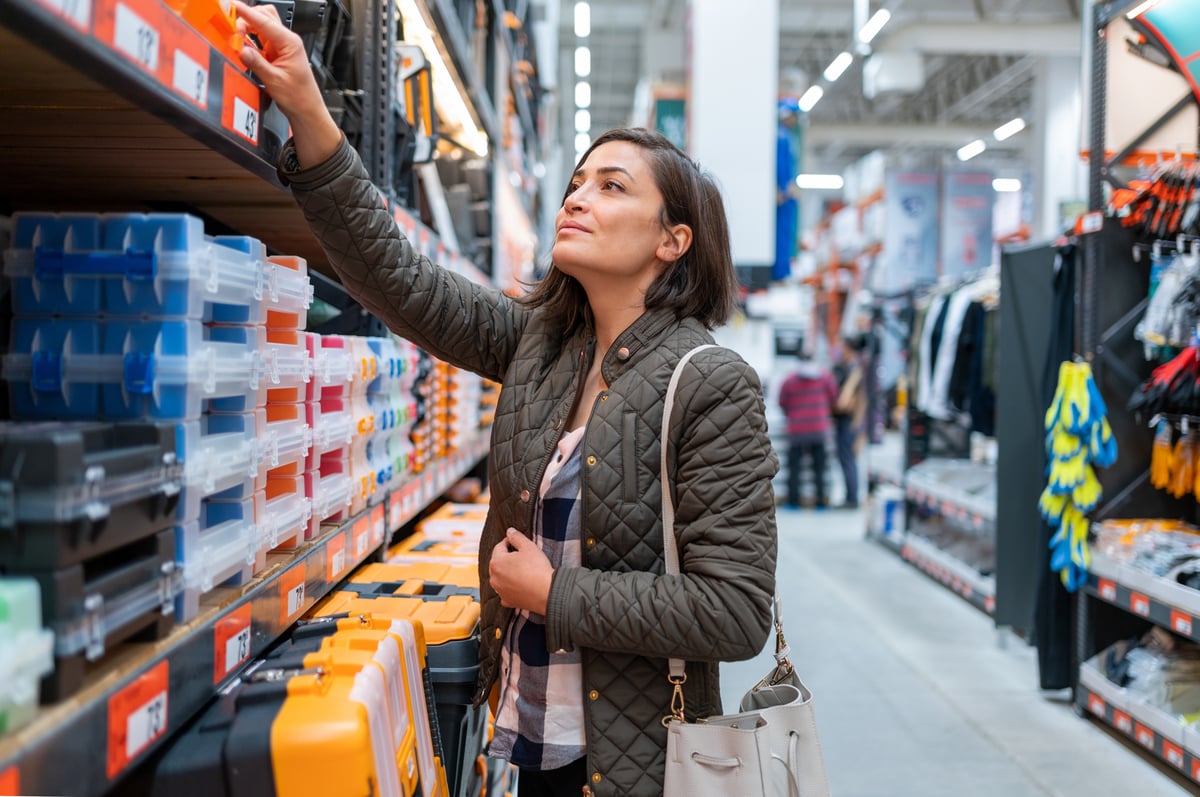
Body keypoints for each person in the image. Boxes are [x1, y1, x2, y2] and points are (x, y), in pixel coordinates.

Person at [232, 5, 779, 795]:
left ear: (673, 240)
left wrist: (558, 595)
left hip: (636, 769)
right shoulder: (545, 347)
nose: (575, 199)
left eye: (611, 186)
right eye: (575, 184)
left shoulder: (710, 383)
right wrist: (310, 113)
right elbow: (403, 283)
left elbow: (734, 611)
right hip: (528, 741)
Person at [778, 349, 837, 509]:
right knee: (819, 469)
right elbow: (833, 398)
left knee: (794, 469)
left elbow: (782, 402)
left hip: (796, 430)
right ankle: (820, 503)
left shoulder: (789, 380)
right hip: (818, 429)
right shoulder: (825, 377)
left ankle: (793, 501)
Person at [832, 337, 867, 509]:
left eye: (841, 348)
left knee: (848, 459)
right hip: (845, 421)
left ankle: (852, 498)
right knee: (847, 459)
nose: (839, 351)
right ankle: (850, 496)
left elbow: (845, 402)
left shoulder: (854, 370)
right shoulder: (845, 368)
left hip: (849, 422)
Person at [774, 99, 801, 283]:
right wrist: (783, 188)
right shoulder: (782, 137)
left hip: (786, 193)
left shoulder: (786, 137)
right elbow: (781, 166)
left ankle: (783, 269)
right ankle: (780, 271)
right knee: (782, 233)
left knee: (785, 233)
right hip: (783, 195)